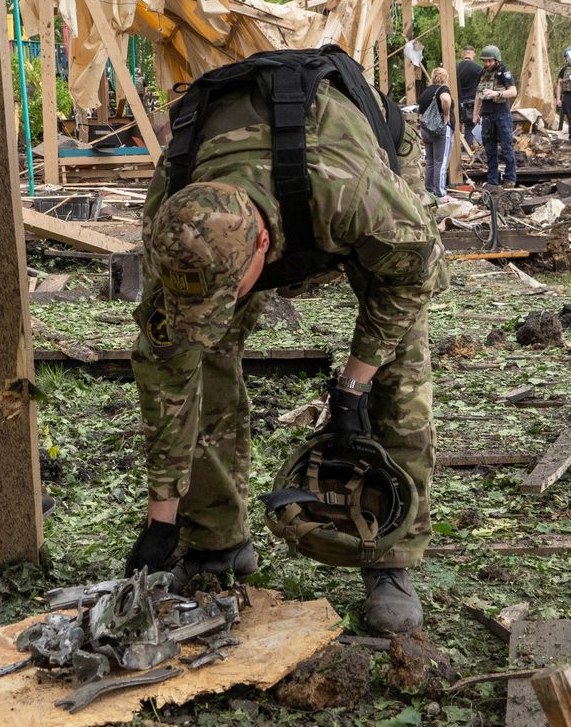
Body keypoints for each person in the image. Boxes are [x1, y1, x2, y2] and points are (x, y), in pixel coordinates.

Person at [126, 49, 448, 635]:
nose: (213, 313)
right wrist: (161, 518)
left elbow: (413, 278)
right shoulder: (170, 225)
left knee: (399, 366)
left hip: (359, 162)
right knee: (205, 360)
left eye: (225, 297)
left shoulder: (356, 198)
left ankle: (391, 558)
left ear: (259, 253)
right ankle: (216, 544)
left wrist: (353, 386)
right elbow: (168, 380)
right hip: (268, 192)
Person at [471, 45, 518, 187]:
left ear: (496, 60)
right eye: (485, 61)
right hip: (487, 116)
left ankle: (510, 179)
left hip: (502, 114)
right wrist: (475, 113)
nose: (487, 64)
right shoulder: (482, 73)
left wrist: (497, 93)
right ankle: (492, 180)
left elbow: (513, 91)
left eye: (490, 61)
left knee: (506, 148)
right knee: (489, 150)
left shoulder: (504, 72)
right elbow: (478, 95)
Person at [418, 67, 454, 198]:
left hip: (426, 130)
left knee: (431, 161)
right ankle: (440, 193)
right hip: (440, 131)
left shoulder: (426, 91)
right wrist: (446, 115)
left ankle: (429, 190)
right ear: (445, 78)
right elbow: (445, 99)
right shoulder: (443, 89)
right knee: (441, 162)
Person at [455, 46, 483, 146]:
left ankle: (455, 149)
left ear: (463, 54)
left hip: (457, 100)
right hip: (472, 102)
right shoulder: (478, 69)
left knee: (455, 126)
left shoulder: (455, 68)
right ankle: (467, 148)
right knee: (469, 127)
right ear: (473, 54)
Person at [555, 61, 571, 141]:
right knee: (570, 117)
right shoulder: (564, 69)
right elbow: (559, 85)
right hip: (567, 94)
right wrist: (558, 98)